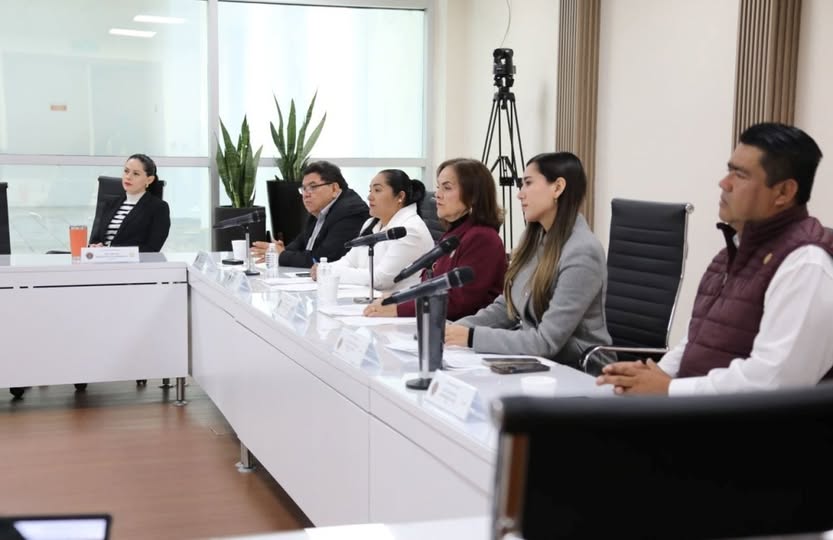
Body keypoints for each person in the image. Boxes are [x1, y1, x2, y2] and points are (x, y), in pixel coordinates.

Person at [597, 122, 833, 396]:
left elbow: (773, 382)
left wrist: (669, 388)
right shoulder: (729, 254)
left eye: (740, 175)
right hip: (700, 413)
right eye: (729, 170)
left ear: (783, 192)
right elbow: (696, 342)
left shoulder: (806, 264)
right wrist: (654, 374)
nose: (724, 183)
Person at [445, 152, 613, 369]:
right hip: (539, 363)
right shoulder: (534, 238)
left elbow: (545, 342)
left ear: (557, 188)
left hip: (579, 370)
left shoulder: (582, 251)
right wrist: (454, 330)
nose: (519, 194)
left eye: (528, 183)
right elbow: (507, 307)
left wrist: (471, 336)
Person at [363, 158, 507, 319]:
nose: (437, 195)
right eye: (438, 187)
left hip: (461, 329)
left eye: (447, 188)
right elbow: (430, 287)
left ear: (473, 195)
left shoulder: (482, 238)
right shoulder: (454, 233)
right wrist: (399, 297)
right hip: (440, 323)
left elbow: (460, 303)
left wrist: (398, 308)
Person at [313, 169, 434, 293]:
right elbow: (350, 261)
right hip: (367, 297)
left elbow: (380, 279)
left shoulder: (410, 230)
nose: (369, 197)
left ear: (400, 196)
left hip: (397, 303)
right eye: (370, 191)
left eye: (377, 190)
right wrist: (325, 268)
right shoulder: (371, 223)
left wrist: (330, 272)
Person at [252, 161, 369, 268]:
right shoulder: (320, 210)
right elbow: (301, 243)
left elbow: (323, 259)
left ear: (334, 189)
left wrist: (282, 255)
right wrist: (280, 250)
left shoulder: (350, 212)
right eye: (303, 188)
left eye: (313, 187)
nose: (306, 194)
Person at [89, 153, 170, 252]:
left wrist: (113, 252)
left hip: (135, 262)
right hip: (102, 260)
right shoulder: (110, 204)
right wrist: (94, 247)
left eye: (136, 174)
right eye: (126, 171)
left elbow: (152, 248)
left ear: (149, 180)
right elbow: (95, 240)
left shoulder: (159, 208)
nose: (128, 177)